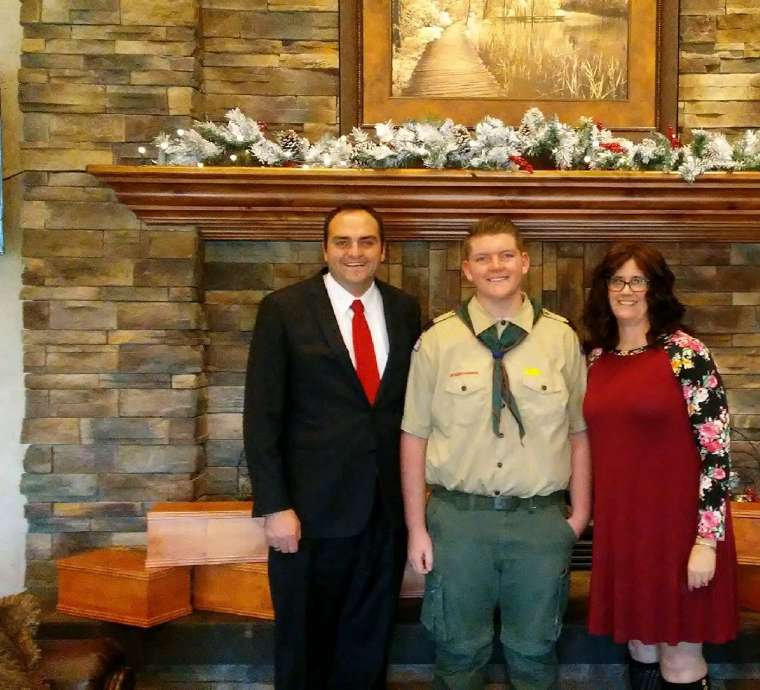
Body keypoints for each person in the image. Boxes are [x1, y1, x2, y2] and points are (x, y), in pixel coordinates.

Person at [400, 215, 591, 690]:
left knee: (534, 652)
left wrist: (580, 515)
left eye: (506, 255)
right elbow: (413, 436)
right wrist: (416, 528)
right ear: (466, 270)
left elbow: (579, 432)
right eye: (483, 258)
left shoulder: (561, 338)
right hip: (459, 521)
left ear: (525, 262)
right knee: (458, 652)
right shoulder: (437, 340)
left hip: (539, 522)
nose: (495, 266)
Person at [243, 204, 422, 690]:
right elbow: (261, 417)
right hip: (308, 517)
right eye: (343, 241)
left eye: (366, 242)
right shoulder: (283, 310)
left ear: (383, 250)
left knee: (369, 645)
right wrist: (275, 505)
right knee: (305, 647)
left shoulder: (405, 310)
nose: (355, 252)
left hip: (382, 516)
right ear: (325, 249)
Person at [581, 243, 739, 690]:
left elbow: (717, 453)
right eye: (617, 280)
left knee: (679, 658)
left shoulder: (686, 354)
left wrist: (707, 540)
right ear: (604, 289)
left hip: (680, 534)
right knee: (639, 648)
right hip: (624, 531)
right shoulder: (596, 358)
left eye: (638, 280)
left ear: (657, 289)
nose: (626, 290)